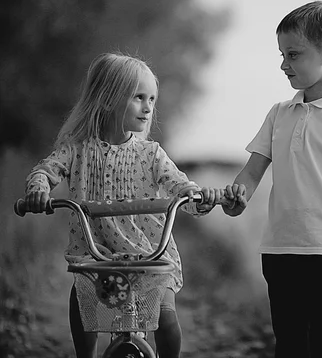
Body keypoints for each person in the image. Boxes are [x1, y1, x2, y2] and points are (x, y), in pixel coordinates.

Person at [21, 52, 220, 358]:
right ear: (107, 100)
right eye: (139, 97)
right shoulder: (77, 151)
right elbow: (46, 171)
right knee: (82, 300)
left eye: (152, 99)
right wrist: (38, 190)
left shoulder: (151, 154)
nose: (148, 107)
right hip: (98, 256)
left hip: (150, 255)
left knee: (166, 319)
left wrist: (199, 197)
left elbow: (181, 186)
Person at [222, 1, 322, 358]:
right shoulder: (279, 113)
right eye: (281, 54)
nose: (283, 64)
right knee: (288, 344)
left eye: (293, 54)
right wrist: (234, 198)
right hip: (279, 251)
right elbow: (252, 171)